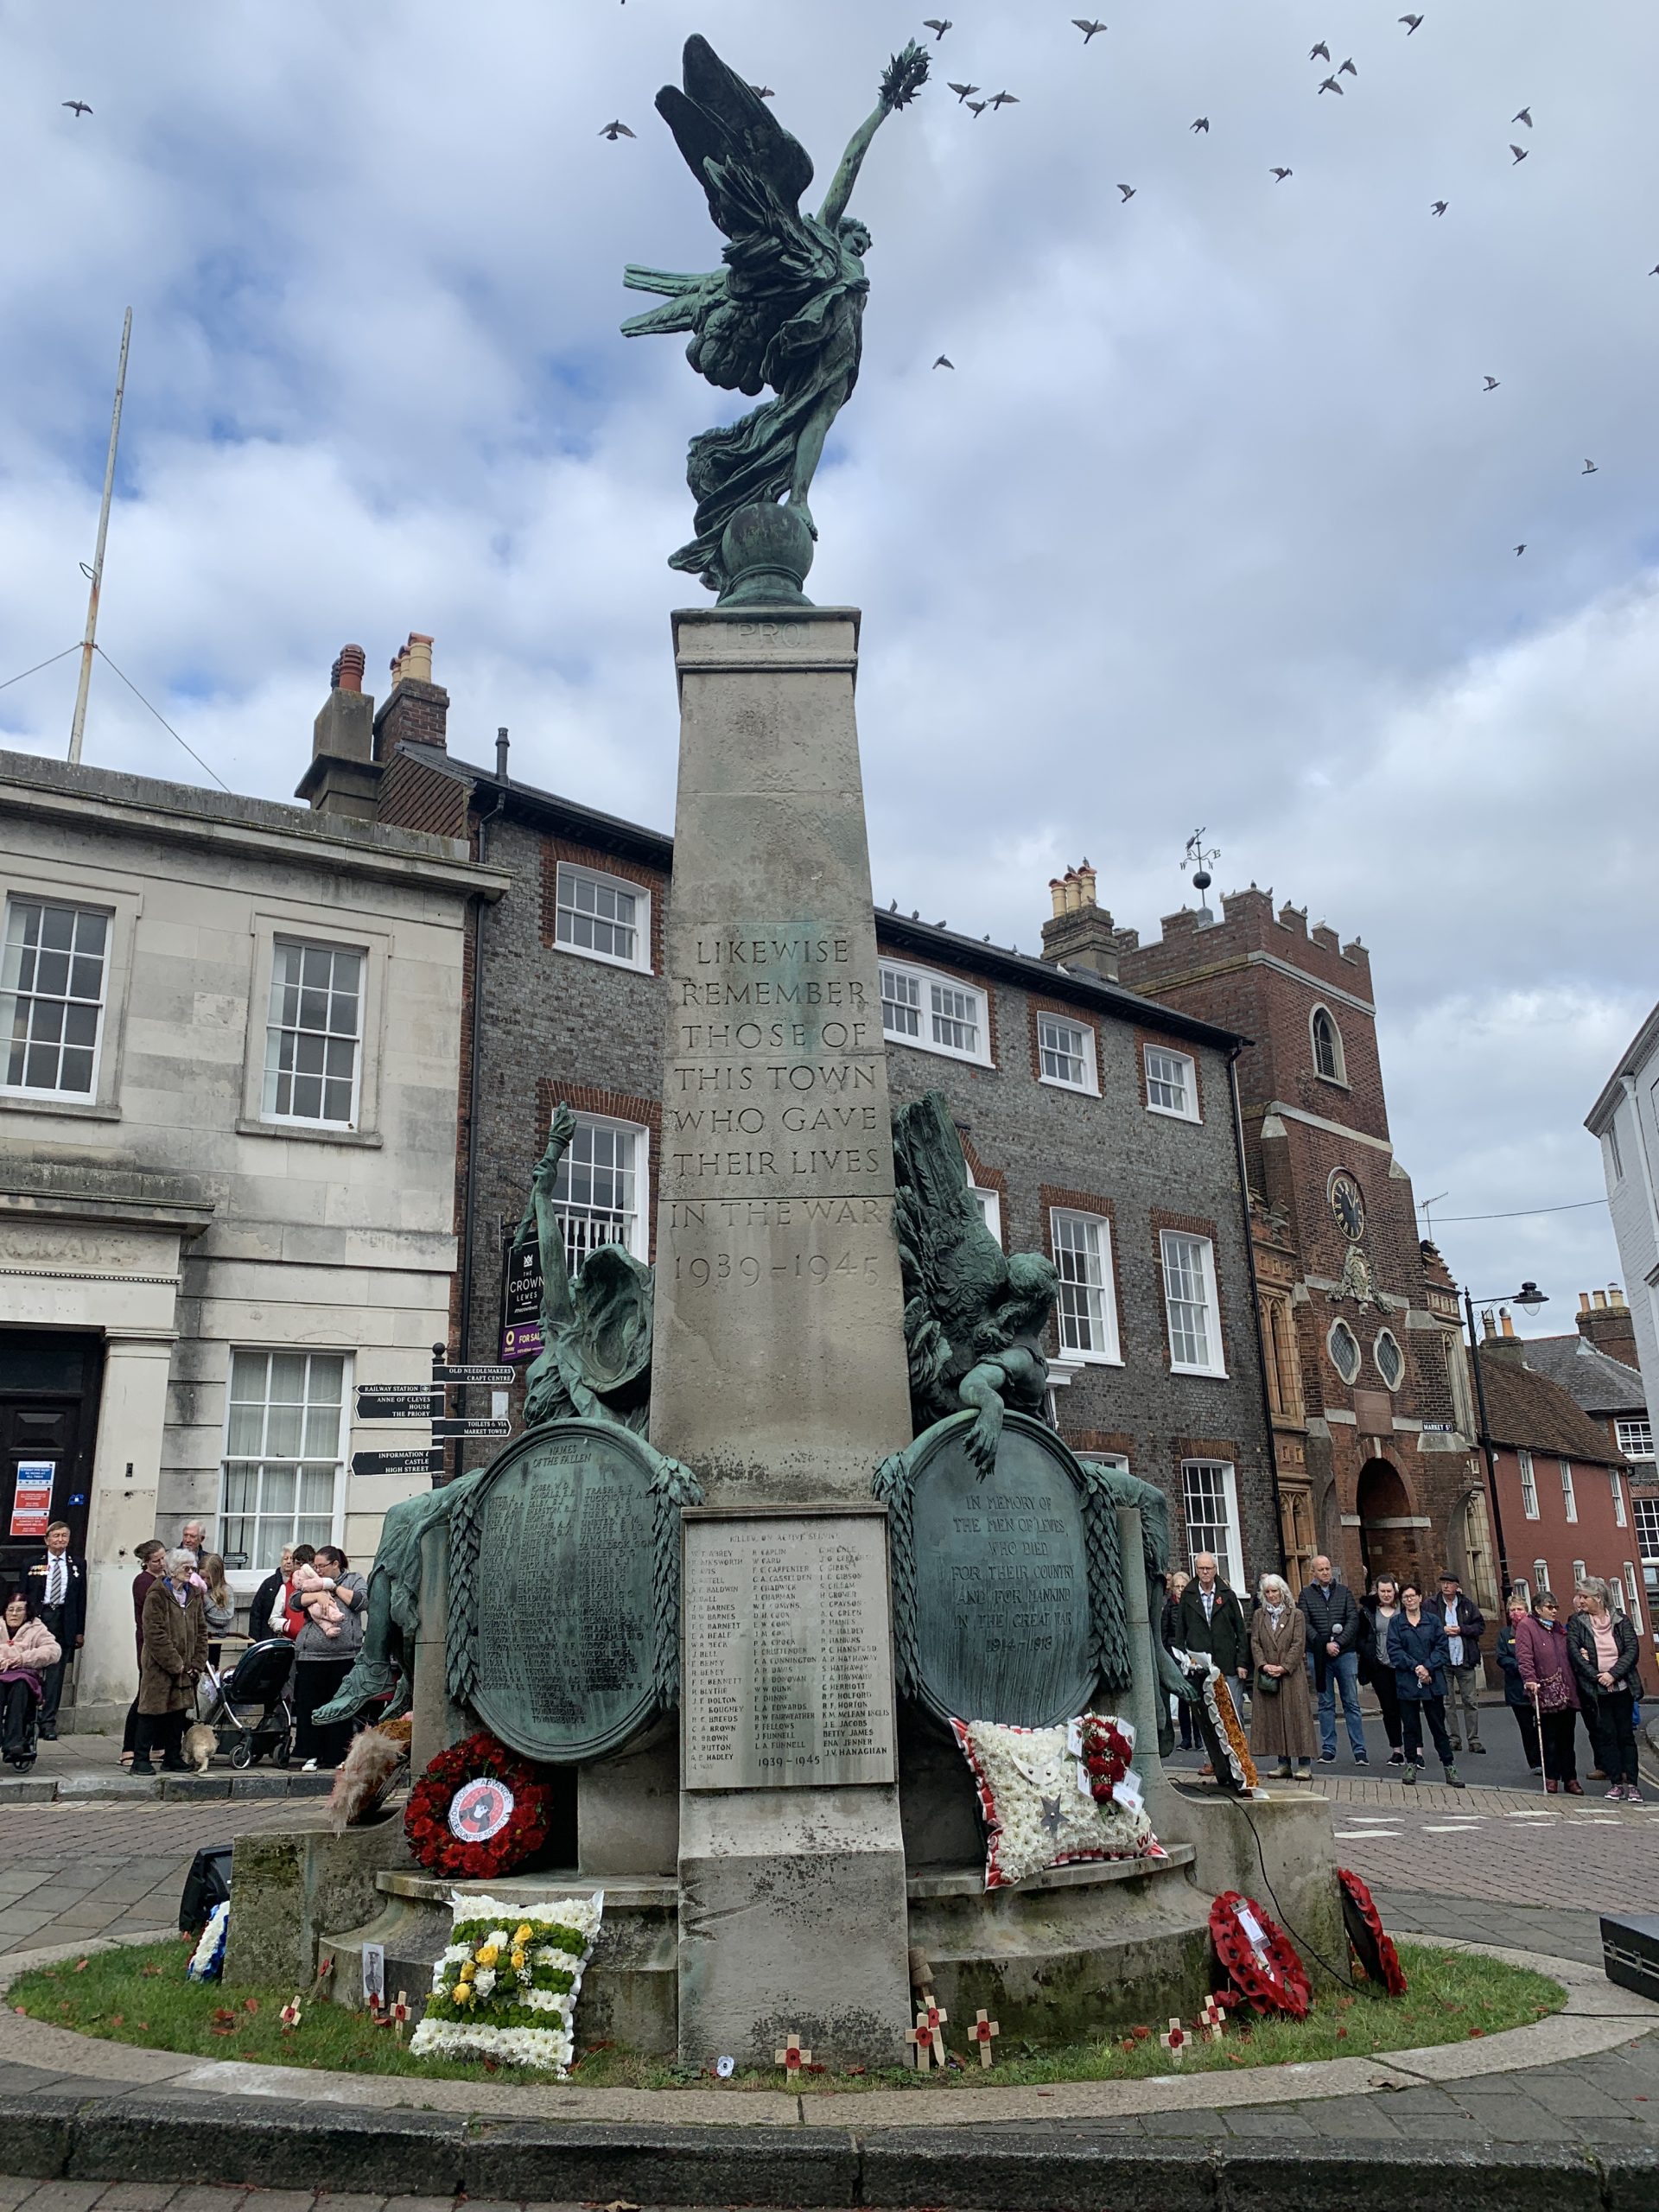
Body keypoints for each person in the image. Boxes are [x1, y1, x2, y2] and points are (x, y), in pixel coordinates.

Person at [289, 1544, 366, 1771]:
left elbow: (361, 1602)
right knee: (311, 1705)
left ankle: (337, 1754)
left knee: (340, 1706)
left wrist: (332, 1587)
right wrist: (318, 1592)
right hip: (311, 1655)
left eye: (322, 1566)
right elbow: (295, 1601)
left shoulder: (353, 1579)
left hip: (344, 1655)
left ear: (335, 1565)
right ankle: (311, 1754)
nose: (318, 1570)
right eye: (316, 1566)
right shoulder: (310, 1580)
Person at [1567, 1577, 1643, 1802]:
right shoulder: (1578, 1622)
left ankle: (1633, 1784)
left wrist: (1613, 1674)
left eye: (1585, 1597)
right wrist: (1598, 1677)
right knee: (1606, 1736)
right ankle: (1616, 1784)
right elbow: (1574, 1653)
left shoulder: (1621, 1620)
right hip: (1596, 1689)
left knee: (1626, 1736)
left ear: (1598, 1598)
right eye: (1580, 1596)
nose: (1581, 1601)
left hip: (1622, 1687)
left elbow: (1631, 1651)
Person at [132, 1548, 208, 1776]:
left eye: (193, 1568)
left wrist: (197, 1662)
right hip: (159, 1666)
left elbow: (201, 1630)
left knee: (178, 1712)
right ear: (172, 1569)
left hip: (187, 1666)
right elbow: (154, 1634)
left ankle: (172, 1757)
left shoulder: (194, 1594)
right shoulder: (156, 1594)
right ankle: (140, 1759)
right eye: (186, 1568)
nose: (190, 1572)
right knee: (151, 1712)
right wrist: (176, 1664)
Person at [1387, 1579, 1463, 1787]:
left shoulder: (1433, 1621)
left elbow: (1441, 1648)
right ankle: (1411, 1764)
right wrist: (1417, 1668)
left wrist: (1427, 1667)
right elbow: (1394, 1651)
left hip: (1432, 1681)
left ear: (1420, 1598)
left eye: (1413, 1596)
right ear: (1401, 1601)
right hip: (1407, 1681)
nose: (1409, 1600)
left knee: (1438, 1726)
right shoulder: (1396, 1623)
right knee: (1410, 1727)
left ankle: (1449, 1766)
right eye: (1405, 1597)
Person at [1300, 1554, 1367, 1765]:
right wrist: (1324, 1644)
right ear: (1313, 1573)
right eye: (1321, 1569)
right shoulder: (1306, 1595)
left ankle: (1360, 1750)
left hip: (1345, 1653)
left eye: (1328, 1568)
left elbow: (1352, 1620)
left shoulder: (1344, 1592)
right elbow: (1305, 1623)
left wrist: (1338, 1643)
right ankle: (1328, 1749)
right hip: (1318, 1655)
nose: (1326, 1572)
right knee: (1325, 1703)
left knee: (1351, 1702)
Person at [1249, 1573, 1316, 1781]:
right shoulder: (1260, 1615)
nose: (1271, 1595)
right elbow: (1255, 1642)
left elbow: (1298, 1643)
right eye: (1267, 1592)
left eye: (1274, 1591)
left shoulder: (1296, 1615)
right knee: (1276, 1718)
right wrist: (1263, 1665)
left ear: (1282, 1592)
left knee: (1298, 1718)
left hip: (1291, 1676)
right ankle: (1283, 1763)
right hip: (1269, 1675)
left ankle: (1304, 1764)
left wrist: (1285, 1667)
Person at [1515, 1589, 1582, 1795]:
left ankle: (1571, 1779)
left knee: (1567, 1738)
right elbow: (1524, 1656)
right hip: (1544, 1690)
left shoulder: (1558, 1628)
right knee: (1549, 1737)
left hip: (1565, 1689)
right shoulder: (1527, 1626)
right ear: (1537, 1609)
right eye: (1549, 1608)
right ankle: (1551, 1778)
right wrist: (1530, 1680)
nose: (1554, 1611)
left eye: (1556, 1608)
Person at [23, 1522, 86, 1740]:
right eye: (56, 1536)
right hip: (39, 1619)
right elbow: (23, 1594)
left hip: (64, 1620)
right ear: (47, 1539)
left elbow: (81, 1600)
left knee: (56, 1674)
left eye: (64, 1536)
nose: (60, 1540)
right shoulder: (33, 1563)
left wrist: (79, 1630)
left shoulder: (77, 1564)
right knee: (31, 1669)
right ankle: (26, 1718)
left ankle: (48, 1722)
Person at [120, 1539, 168, 1768]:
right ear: (146, 1562)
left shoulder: (164, 1579)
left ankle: (158, 1745)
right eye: (156, 1560)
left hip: (165, 1643)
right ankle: (129, 1747)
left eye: (163, 1558)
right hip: (148, 1644)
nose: (162, 1563)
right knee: (145, 1696)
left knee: (163, 1696)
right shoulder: (143, 1582)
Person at [0, 1592, 60, 1770]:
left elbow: (53, 1650)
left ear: (27, 1613)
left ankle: (14, 1742)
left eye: (19, 1610)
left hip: (24, 1674)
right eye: (10, 1609)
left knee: (20, 1687)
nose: (14, 1614)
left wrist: (23, 1657)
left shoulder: (37, 1628)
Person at [1437, 1570, 1486, 1754]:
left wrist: (1461, 1630)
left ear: (1457, 1586)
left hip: (1465, 1659)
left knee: (1470, 1700)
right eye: (1443, 1582)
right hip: (1444, 1659)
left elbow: (1480, 1626)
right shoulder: (1434, 1605)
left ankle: (1473, 1739)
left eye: (1449, 1583)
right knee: (1447, 1701)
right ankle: (1454, 1738)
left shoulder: (1467, 1605)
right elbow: (1428, 1627)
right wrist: (1443, 1630)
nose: (1445, 1586)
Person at [1359, 1575, 1406, 1764]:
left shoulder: (1403, 1609)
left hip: (1403, 1666)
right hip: (1380, 1667)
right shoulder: (1369, 1612)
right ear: (1377, 1592)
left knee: (1407, 1709)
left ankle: (1414, 1750)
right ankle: (1397, 1750)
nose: (1386, 1595)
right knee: (1390, 1710)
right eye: (1382, 1591)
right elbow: (1362, 1638)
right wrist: (1370, 1655)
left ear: (1395, 1591)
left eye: (1389, 1591)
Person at [1496, 1597, 1542, 1772]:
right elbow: (1501, 1657)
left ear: (1527, 1611)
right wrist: (1521, 1666)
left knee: (1543, 1725)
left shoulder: (1535, 1630)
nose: (1516, 1613)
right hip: (1517, 1687)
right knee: (1526, 1727)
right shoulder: (1505, 1635)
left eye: (1519, 1609)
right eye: (1512, 1610)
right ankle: (1535, 1762)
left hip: (1538, 1686)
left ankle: (1549, 1758)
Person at [1160, 1568, 1195, 1750]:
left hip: (1193, 1657)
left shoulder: (1192, 1606)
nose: (1180, 1589)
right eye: (1177, 1586)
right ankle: (1186, 1739)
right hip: (1176, 1657)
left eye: (1183, 1586)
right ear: (1173, 1589)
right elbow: (1164, 1635)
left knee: (1196, 1699)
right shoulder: (1168, 1608)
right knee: (1183, 1699)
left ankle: (1199, 1739)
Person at [251, 1547, 295, 1643]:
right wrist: (255, 1641)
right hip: (268, 1637)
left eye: (292, 1559)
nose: (288, 1562)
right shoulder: (269, 1583)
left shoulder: (302, 1584)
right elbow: (256, 1613)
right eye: (285, 1558)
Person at [200, 1554, 236, 1670]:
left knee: (210, 1676)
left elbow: (224, 1619)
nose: (204, 1582)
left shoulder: (226, 1591)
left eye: (208, 1578)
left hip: (213, 1643)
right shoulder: (192, 1589)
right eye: (202, 1577)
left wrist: (204, 1599)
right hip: (196, 1641)